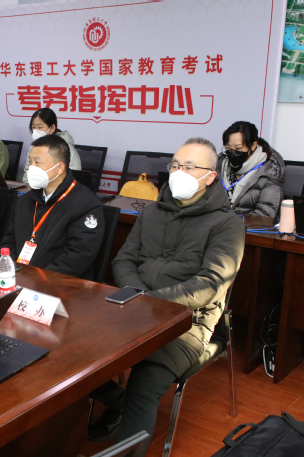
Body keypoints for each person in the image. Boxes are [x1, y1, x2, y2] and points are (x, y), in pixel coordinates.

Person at [88, 138, 245, 454]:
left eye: (189, 167)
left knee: (144, 383)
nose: (179, 172)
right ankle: (116, 401)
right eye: (175, 165)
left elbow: (212, 284)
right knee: (76, 352)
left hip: (187, 323)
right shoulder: (151, 212)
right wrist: (140, 296)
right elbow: (124, 260)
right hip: (133, 307)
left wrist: (152, 301)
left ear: (210, 176)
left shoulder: (227, 224)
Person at [2, 135, 104, 279]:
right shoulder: (25, 200)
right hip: (18, 277)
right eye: (30, 162)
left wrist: (37, 278)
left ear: (60, 168)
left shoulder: (86, 204)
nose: (31, 168)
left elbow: (77, 257)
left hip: (56, 283)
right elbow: (9, 239)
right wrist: (12, 269)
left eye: (38, 162)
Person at [218, 121, 285, 219]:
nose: (232, 153)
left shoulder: (269, 172)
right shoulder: (219, 166)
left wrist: (229, 223)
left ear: (253, 146)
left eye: (238, 148)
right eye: (228, 148)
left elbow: (265, 215)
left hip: (245, 226)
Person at [21, 108, 81, 183]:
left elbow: (73, 177)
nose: (36, 131)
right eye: (33, 127)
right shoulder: (33, 148)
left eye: (40, 127)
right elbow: (27, 175)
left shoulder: (66, 148)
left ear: (52, 128)